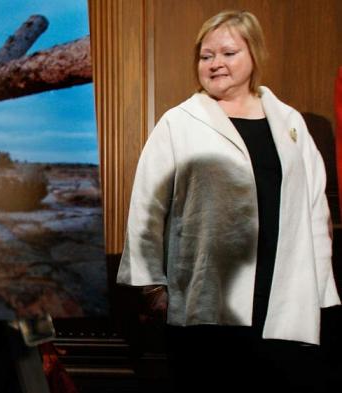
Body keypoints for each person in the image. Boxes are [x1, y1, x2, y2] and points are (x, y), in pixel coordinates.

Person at [116, 9, 340, 392]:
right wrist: (151, 284)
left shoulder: (290, 123)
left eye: (228, 53)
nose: (216, 63)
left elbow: (315, 210)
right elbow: (147, 206)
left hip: (283, 294)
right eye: (206, 56)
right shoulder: (179, 121)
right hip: (208, 294)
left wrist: (321, 288)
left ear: (254, 55)